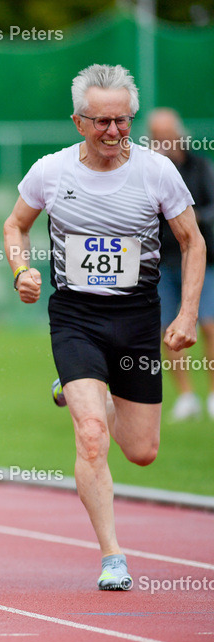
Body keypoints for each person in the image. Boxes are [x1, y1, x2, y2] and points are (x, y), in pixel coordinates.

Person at [3, 64, 204, 591]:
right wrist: (22, 270)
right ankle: (112, 556)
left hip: (138, 317)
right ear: (78, 122)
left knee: (142, 451)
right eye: (101, 122)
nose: (113, 132)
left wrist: (186, 313)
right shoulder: (51, 171)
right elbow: (15, 225)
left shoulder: (157, 172)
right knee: (91, 437)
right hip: (76, 316)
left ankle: (95, 395)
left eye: (122, 121)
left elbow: (192, 241)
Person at [147, 108, 214, 420]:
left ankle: (213, 393)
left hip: (202, 260)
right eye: (155, 136)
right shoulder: (148, 171)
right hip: (162, 263)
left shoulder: (201, 168)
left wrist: (194, 218)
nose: (162, 142)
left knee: (209, 326)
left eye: (166, 135)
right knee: (167, 330)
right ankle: (186, 396)